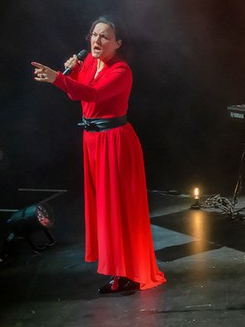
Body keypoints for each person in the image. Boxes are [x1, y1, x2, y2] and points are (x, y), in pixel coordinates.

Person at [31, 16, 166, 294]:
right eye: (94, 34)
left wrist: (57, 78)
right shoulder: (90, 63)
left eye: (105, 36)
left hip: (114, 142)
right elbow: (76, 96)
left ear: (117, 43)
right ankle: (119, 269)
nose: (97, 40)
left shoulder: (121, 71)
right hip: (93, 141)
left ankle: (126, 274)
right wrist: (73, 71)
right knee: (103, 208)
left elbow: (92, 95)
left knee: (116, 208)